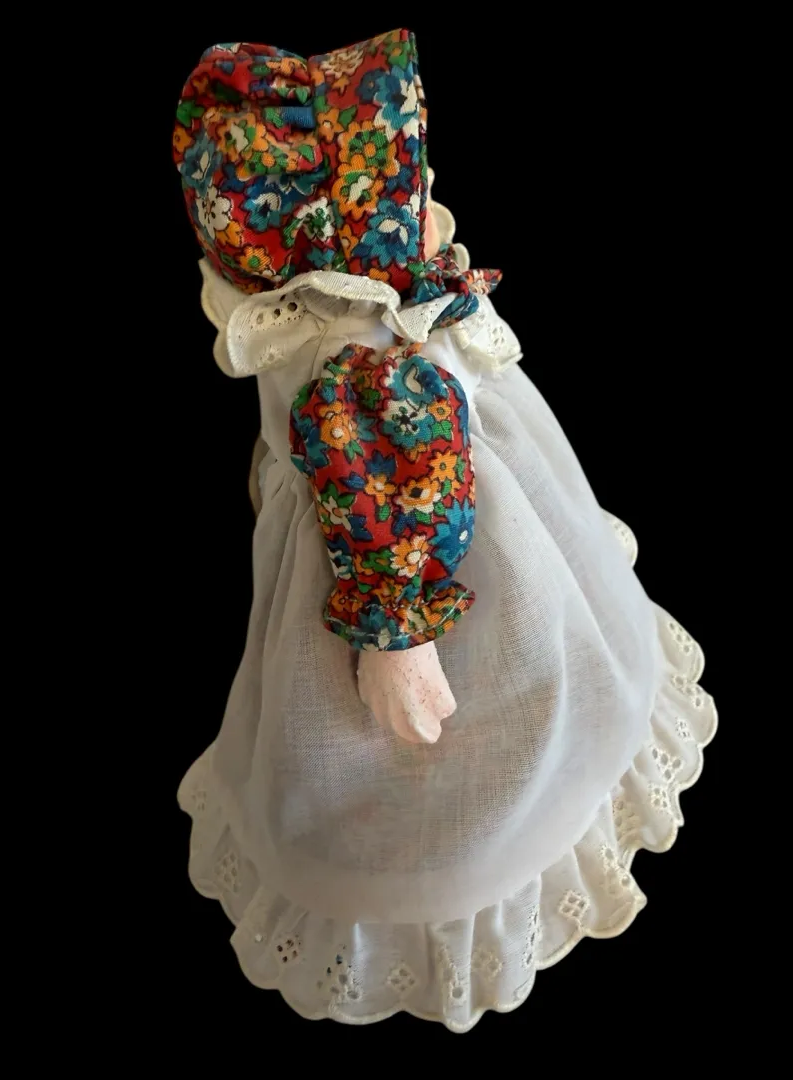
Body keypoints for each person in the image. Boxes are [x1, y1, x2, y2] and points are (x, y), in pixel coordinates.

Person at [173, 28, 717, 1031]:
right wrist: (390, 627)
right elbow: (369, 476)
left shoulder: (356, 341)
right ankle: (438, 849)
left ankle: (494, 811)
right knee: (397, 729)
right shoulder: (350, 349)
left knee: (513, 662)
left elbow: (375, 466)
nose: (426, 205)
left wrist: (389, 617)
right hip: (394, 546)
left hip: (441, 536)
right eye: (408, 186)